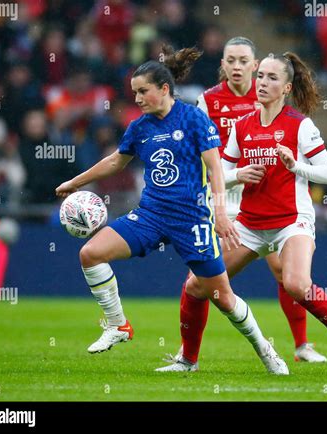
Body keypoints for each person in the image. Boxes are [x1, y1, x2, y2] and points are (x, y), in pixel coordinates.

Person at [55, 46, 288, 375]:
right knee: (90, 253)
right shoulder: (139, 127)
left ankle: (264, 348)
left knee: (222, 297)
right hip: (149, 215)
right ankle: (118, 325)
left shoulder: (193, 118)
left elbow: (215, 169)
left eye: (142, 91)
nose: (136, 99)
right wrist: (76, 182)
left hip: (192, 219)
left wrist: (220, 213)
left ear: (163, 89)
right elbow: (114, 162)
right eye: (134, 92)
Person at [160, 51, 327, 373]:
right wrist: (237, 175)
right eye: (261, 76)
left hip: (291, 221)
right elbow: (218, 174)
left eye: (272, 78)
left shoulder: (300, 125)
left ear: (286, 88)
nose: (263, 83)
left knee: (296, 284)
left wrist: (296, 166)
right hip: (249, 224)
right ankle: (188, 361)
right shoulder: (243, 126)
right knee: (197, 285)